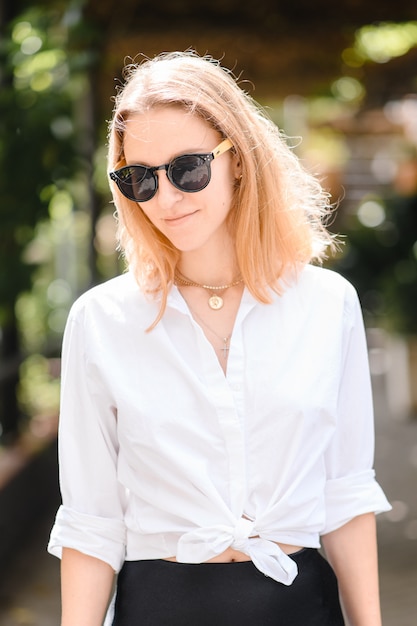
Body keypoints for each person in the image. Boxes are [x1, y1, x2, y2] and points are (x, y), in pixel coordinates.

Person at [48, 50, 391, 626]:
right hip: (158, 607)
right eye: (140, 178)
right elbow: (92, 522)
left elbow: (346, 495)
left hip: (298, 606)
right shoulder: (100, 320)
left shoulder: (328, 305)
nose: (165, 197)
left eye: (187, 168)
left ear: (238, 159)